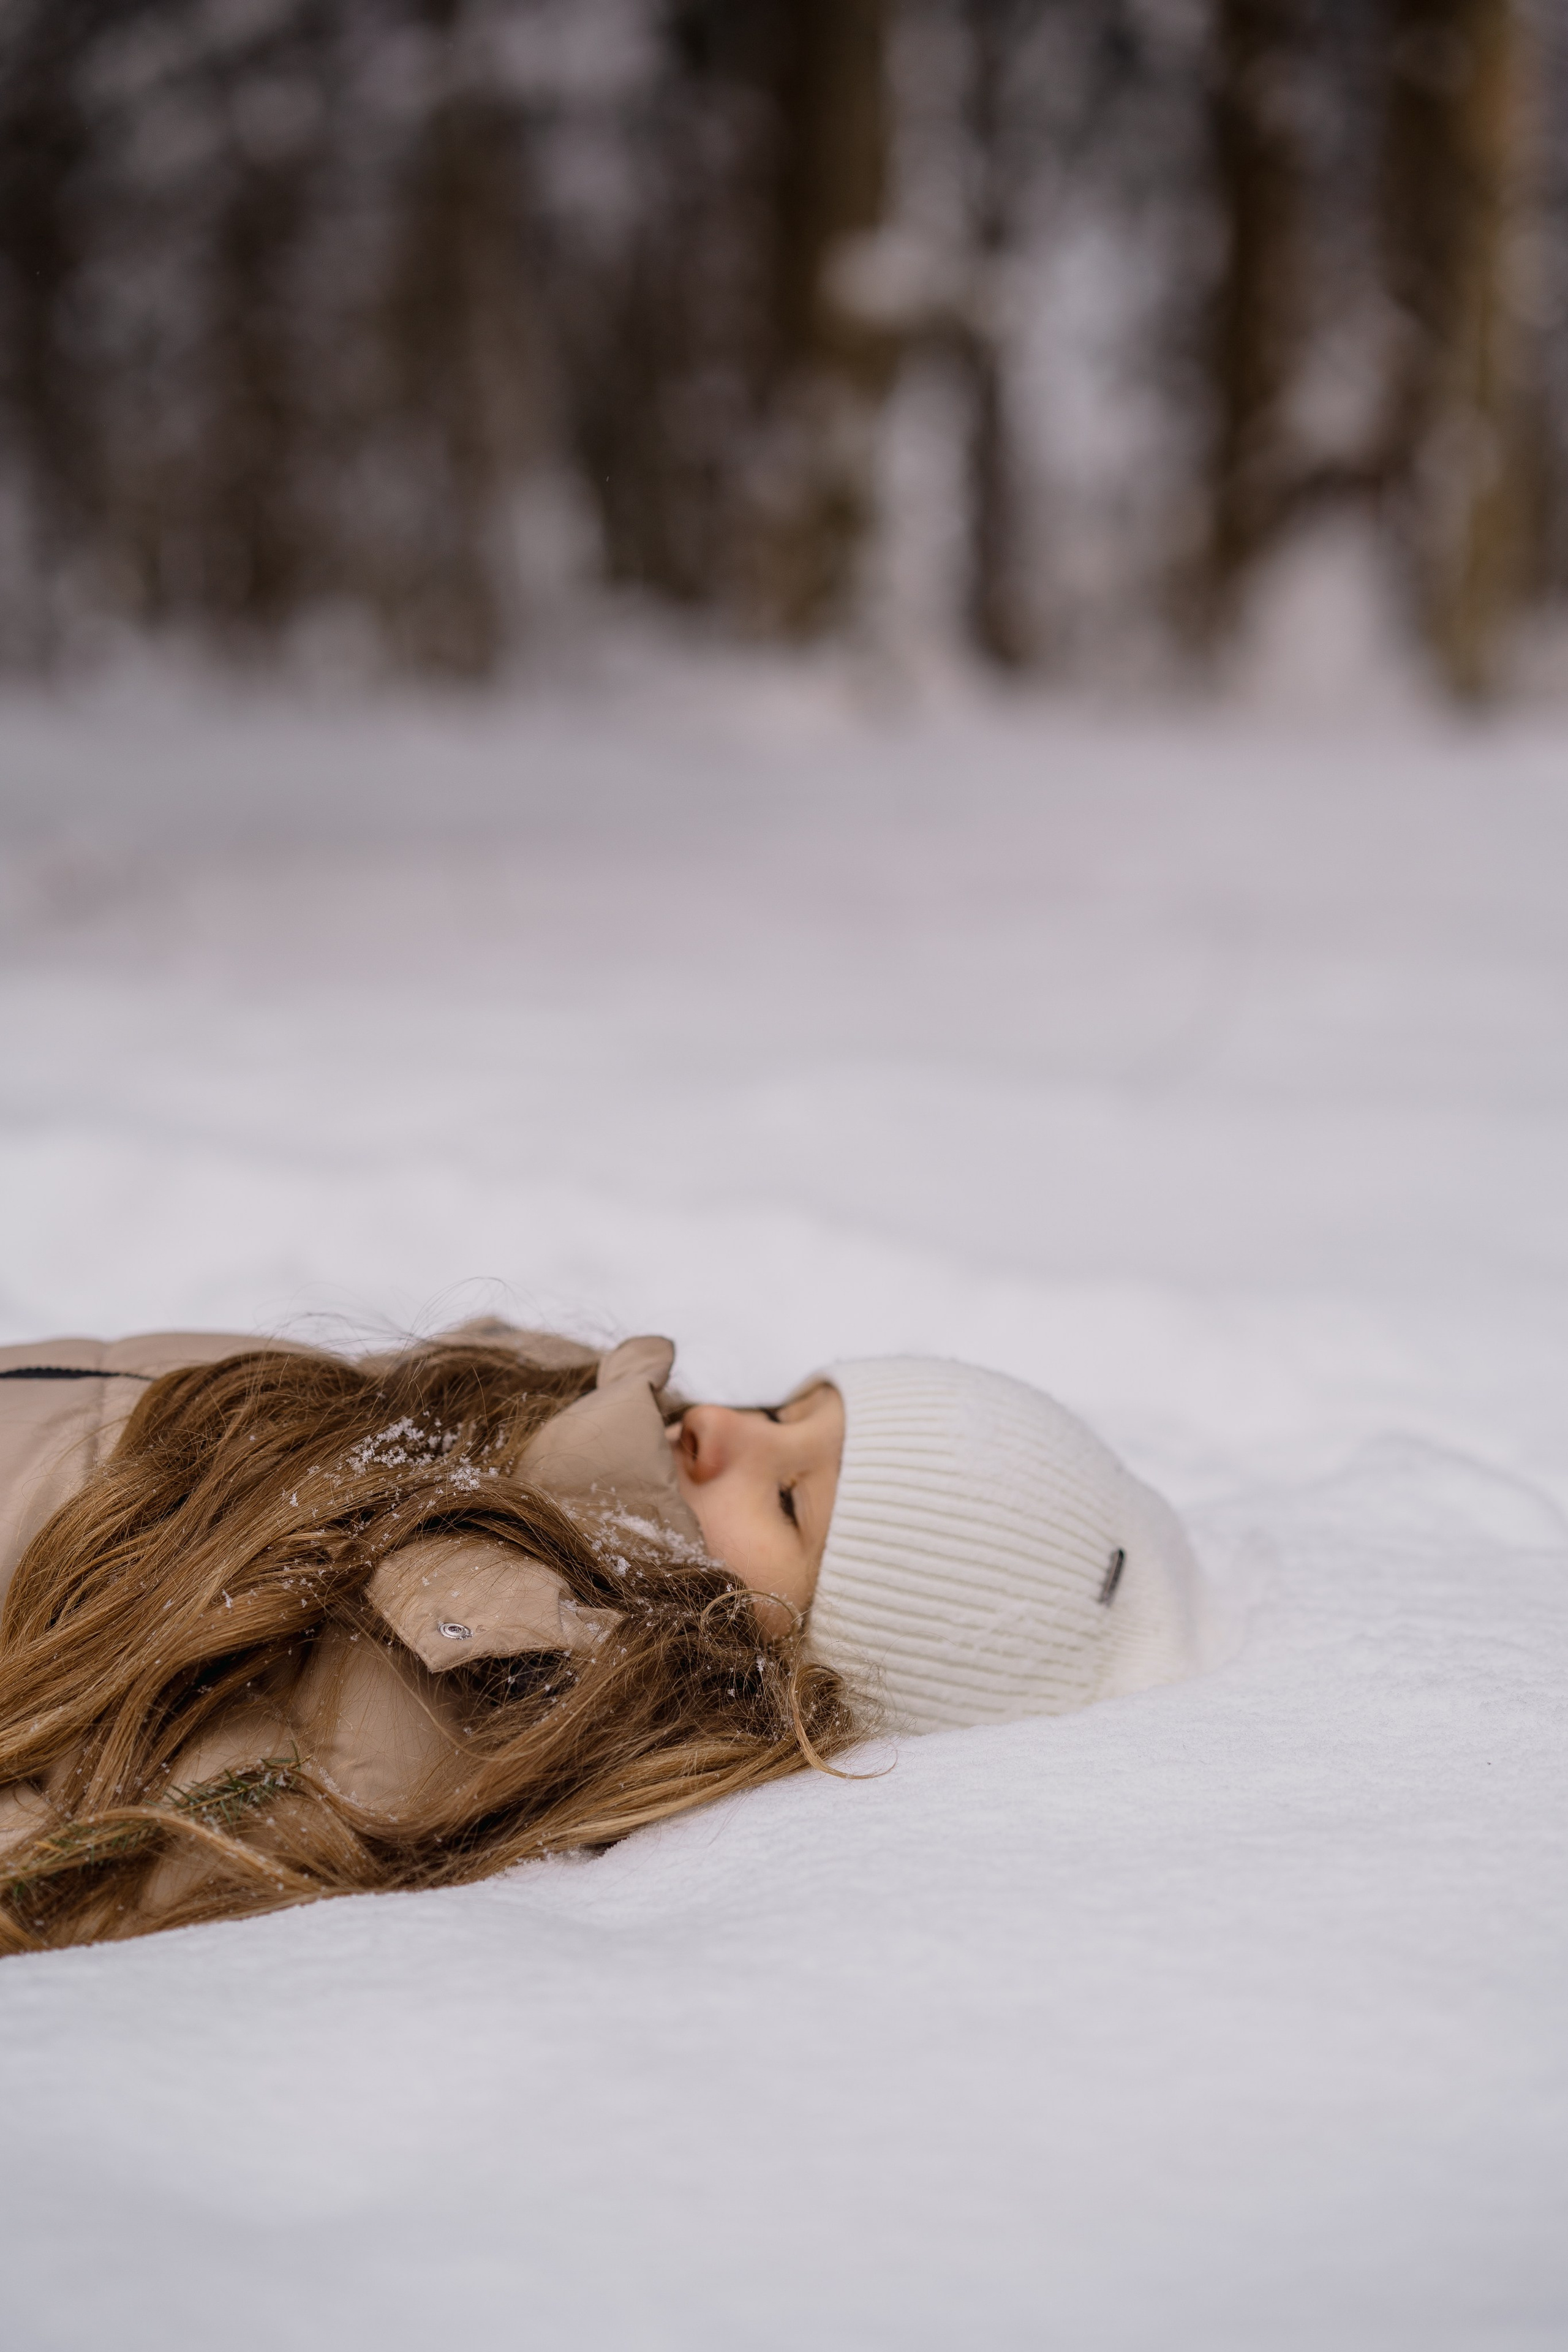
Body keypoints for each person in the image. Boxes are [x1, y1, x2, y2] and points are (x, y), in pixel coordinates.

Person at [0, 1317, 1212, 1955]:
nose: (724, 1425)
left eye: (788, 1500)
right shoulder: (523, 1398)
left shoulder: (464, 1702)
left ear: (799, 1659)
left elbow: (86, 1860)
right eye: (789, 1408)